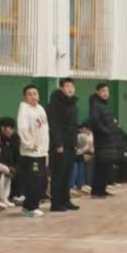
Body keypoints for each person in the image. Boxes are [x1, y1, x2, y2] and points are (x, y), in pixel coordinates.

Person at [15, 85, 50, 218]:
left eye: (35, 93)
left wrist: (46, 150)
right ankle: (29, 207)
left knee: (41, 181)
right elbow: (22, 129)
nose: (33, 96)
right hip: (31, 153)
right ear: (25, 97)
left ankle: (33, 205)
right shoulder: (24, 108)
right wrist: (29, 144)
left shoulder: (40, 108)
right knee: (33, 181)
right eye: (29, 94)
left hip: (42, 151)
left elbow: (45, 130)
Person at [47, 79, 81, 212]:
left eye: (72, 86)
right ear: (61, 88)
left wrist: (75, 142)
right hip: (60, 145)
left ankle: (66, 200)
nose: (70, 89)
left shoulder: (73, 103)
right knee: (59, 174)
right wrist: (58, 143)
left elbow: (74, 125)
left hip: (70, 143)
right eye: (67, 86)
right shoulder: (55, 103)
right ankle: (56, 203)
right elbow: (54, 125)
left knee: (68, 174)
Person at [86, 82, 124, 198]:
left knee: (106, 166)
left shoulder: (104, 105)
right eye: (103, 91)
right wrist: (106, 131)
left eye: (107, 91)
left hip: (108, 140)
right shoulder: (95, 105)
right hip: (102, 140)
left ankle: (102, 189)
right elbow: (96, 122)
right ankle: (96, 191)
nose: (105, 93)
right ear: (97, 92)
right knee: (101, 166)